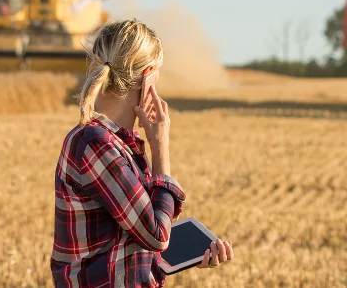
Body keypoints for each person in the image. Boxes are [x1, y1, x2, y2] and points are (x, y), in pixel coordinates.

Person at [51, 19, 234, 287]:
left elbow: (128, 240)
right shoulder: (96, 144)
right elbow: (156, 234)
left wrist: (188, 255)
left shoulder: (115, 144)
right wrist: (160, 146)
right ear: (147, 77)